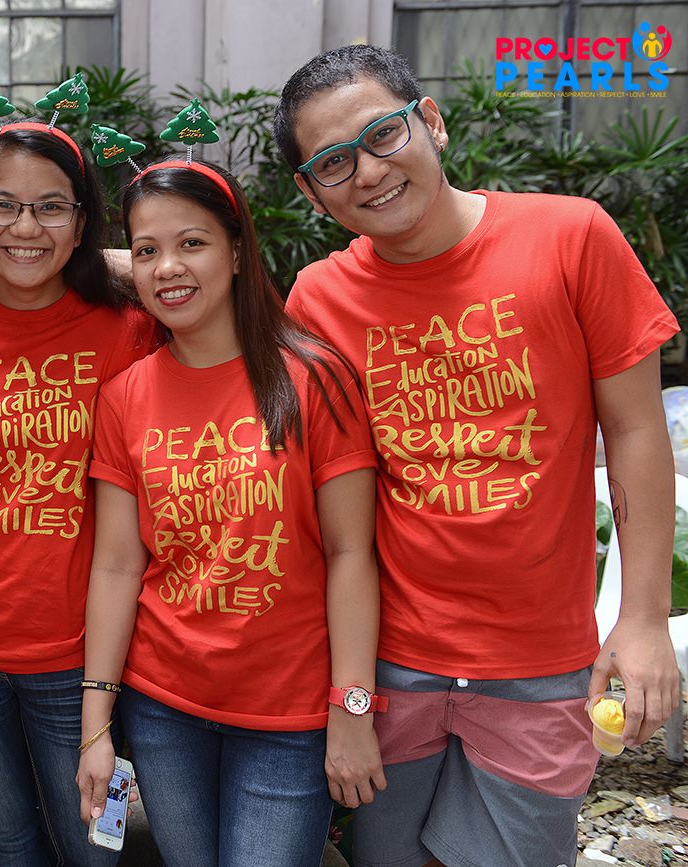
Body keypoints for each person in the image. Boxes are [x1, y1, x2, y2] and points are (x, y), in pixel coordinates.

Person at [274, 45, 681, 867]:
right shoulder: (318, 299)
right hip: (390, 658)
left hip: (539, 658)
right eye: (334, 162)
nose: (369, 172)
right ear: (311, 192)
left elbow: (637, 429)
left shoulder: (570, 236)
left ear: (431, 121)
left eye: (383, 134)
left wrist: (642, 618)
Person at [75, 159, 384, 866]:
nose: (167, 268)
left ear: (238, 251)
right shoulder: (124, 395)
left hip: (289, 717)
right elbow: (118, 565)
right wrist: (97, 725)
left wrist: (352, 706)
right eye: (146, 250)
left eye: (193, 243)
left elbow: (351, 554)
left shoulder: (315, 378)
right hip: (163, 707)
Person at [0, 120, 155, 867]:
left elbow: (241, 293)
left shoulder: (133, 327)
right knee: (4, 835)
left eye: (51, 207)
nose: (25, 227)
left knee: (96, 845)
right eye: (3, 205)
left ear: (82, 222)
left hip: (84, 652)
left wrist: (128, 258)